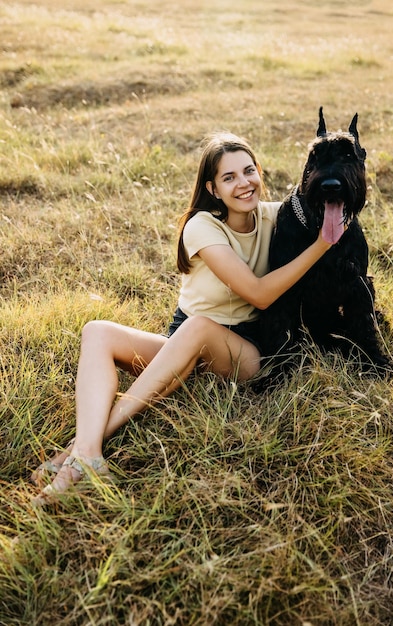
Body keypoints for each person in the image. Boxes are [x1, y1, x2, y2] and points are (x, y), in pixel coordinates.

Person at [31, 131, 333, 504]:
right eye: (229, 177)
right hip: (186, 339)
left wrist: (326, 235)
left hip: (249, 351)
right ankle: (88, 454)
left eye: (249, 171)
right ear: (212, 188)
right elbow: (257, 290)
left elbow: (264, 295)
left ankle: (73, 455)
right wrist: (321, 246)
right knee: (97, 331)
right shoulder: (201, 225)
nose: (244, 183)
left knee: (198, 328)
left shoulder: (276, 217)